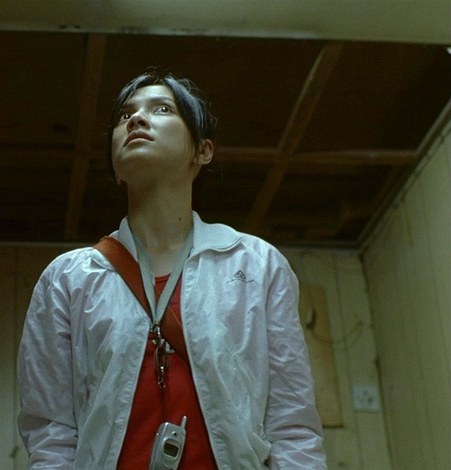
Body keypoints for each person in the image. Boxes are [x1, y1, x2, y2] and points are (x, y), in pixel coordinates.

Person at [17, 70, 326, 469]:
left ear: (203, 151)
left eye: (162, 109)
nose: (136, 119)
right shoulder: (68, 278)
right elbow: (50, 434)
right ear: (115, 166)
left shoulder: (256, 263)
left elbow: (292, 424)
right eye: (124, 115)